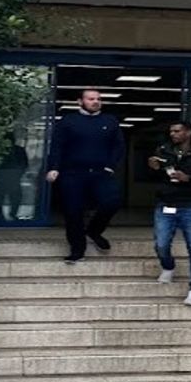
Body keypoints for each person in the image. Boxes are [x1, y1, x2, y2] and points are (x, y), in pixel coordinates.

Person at [45, 88, 124, 263]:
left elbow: (118, 146)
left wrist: (111, 166)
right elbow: (57, 146)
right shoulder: (68, 121)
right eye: (90, 99)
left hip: (101, 172)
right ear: (80, 102)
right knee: (73, 212)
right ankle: (77, 250)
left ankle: (94, 231)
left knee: (112, 202)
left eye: (98, 99)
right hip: (72, 173)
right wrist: (53, 168)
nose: (95, 102)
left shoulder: (110, 121)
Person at [146, 119, 191, 306]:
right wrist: (153, 168)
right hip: (166, 203)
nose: (173, 134)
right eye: (171, 131)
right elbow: (153, 177)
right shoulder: (163, 150)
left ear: (189, 132)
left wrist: (189, 178)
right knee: (161, 244)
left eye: (177, 131)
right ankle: (168, 266)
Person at [0, 139, 29, 221]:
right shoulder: (18, 150)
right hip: (8, 177)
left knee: (2, 198)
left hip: (4, 177)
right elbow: (24, 164)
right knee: (13, 198)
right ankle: (8, 215)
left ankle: (2, 216)